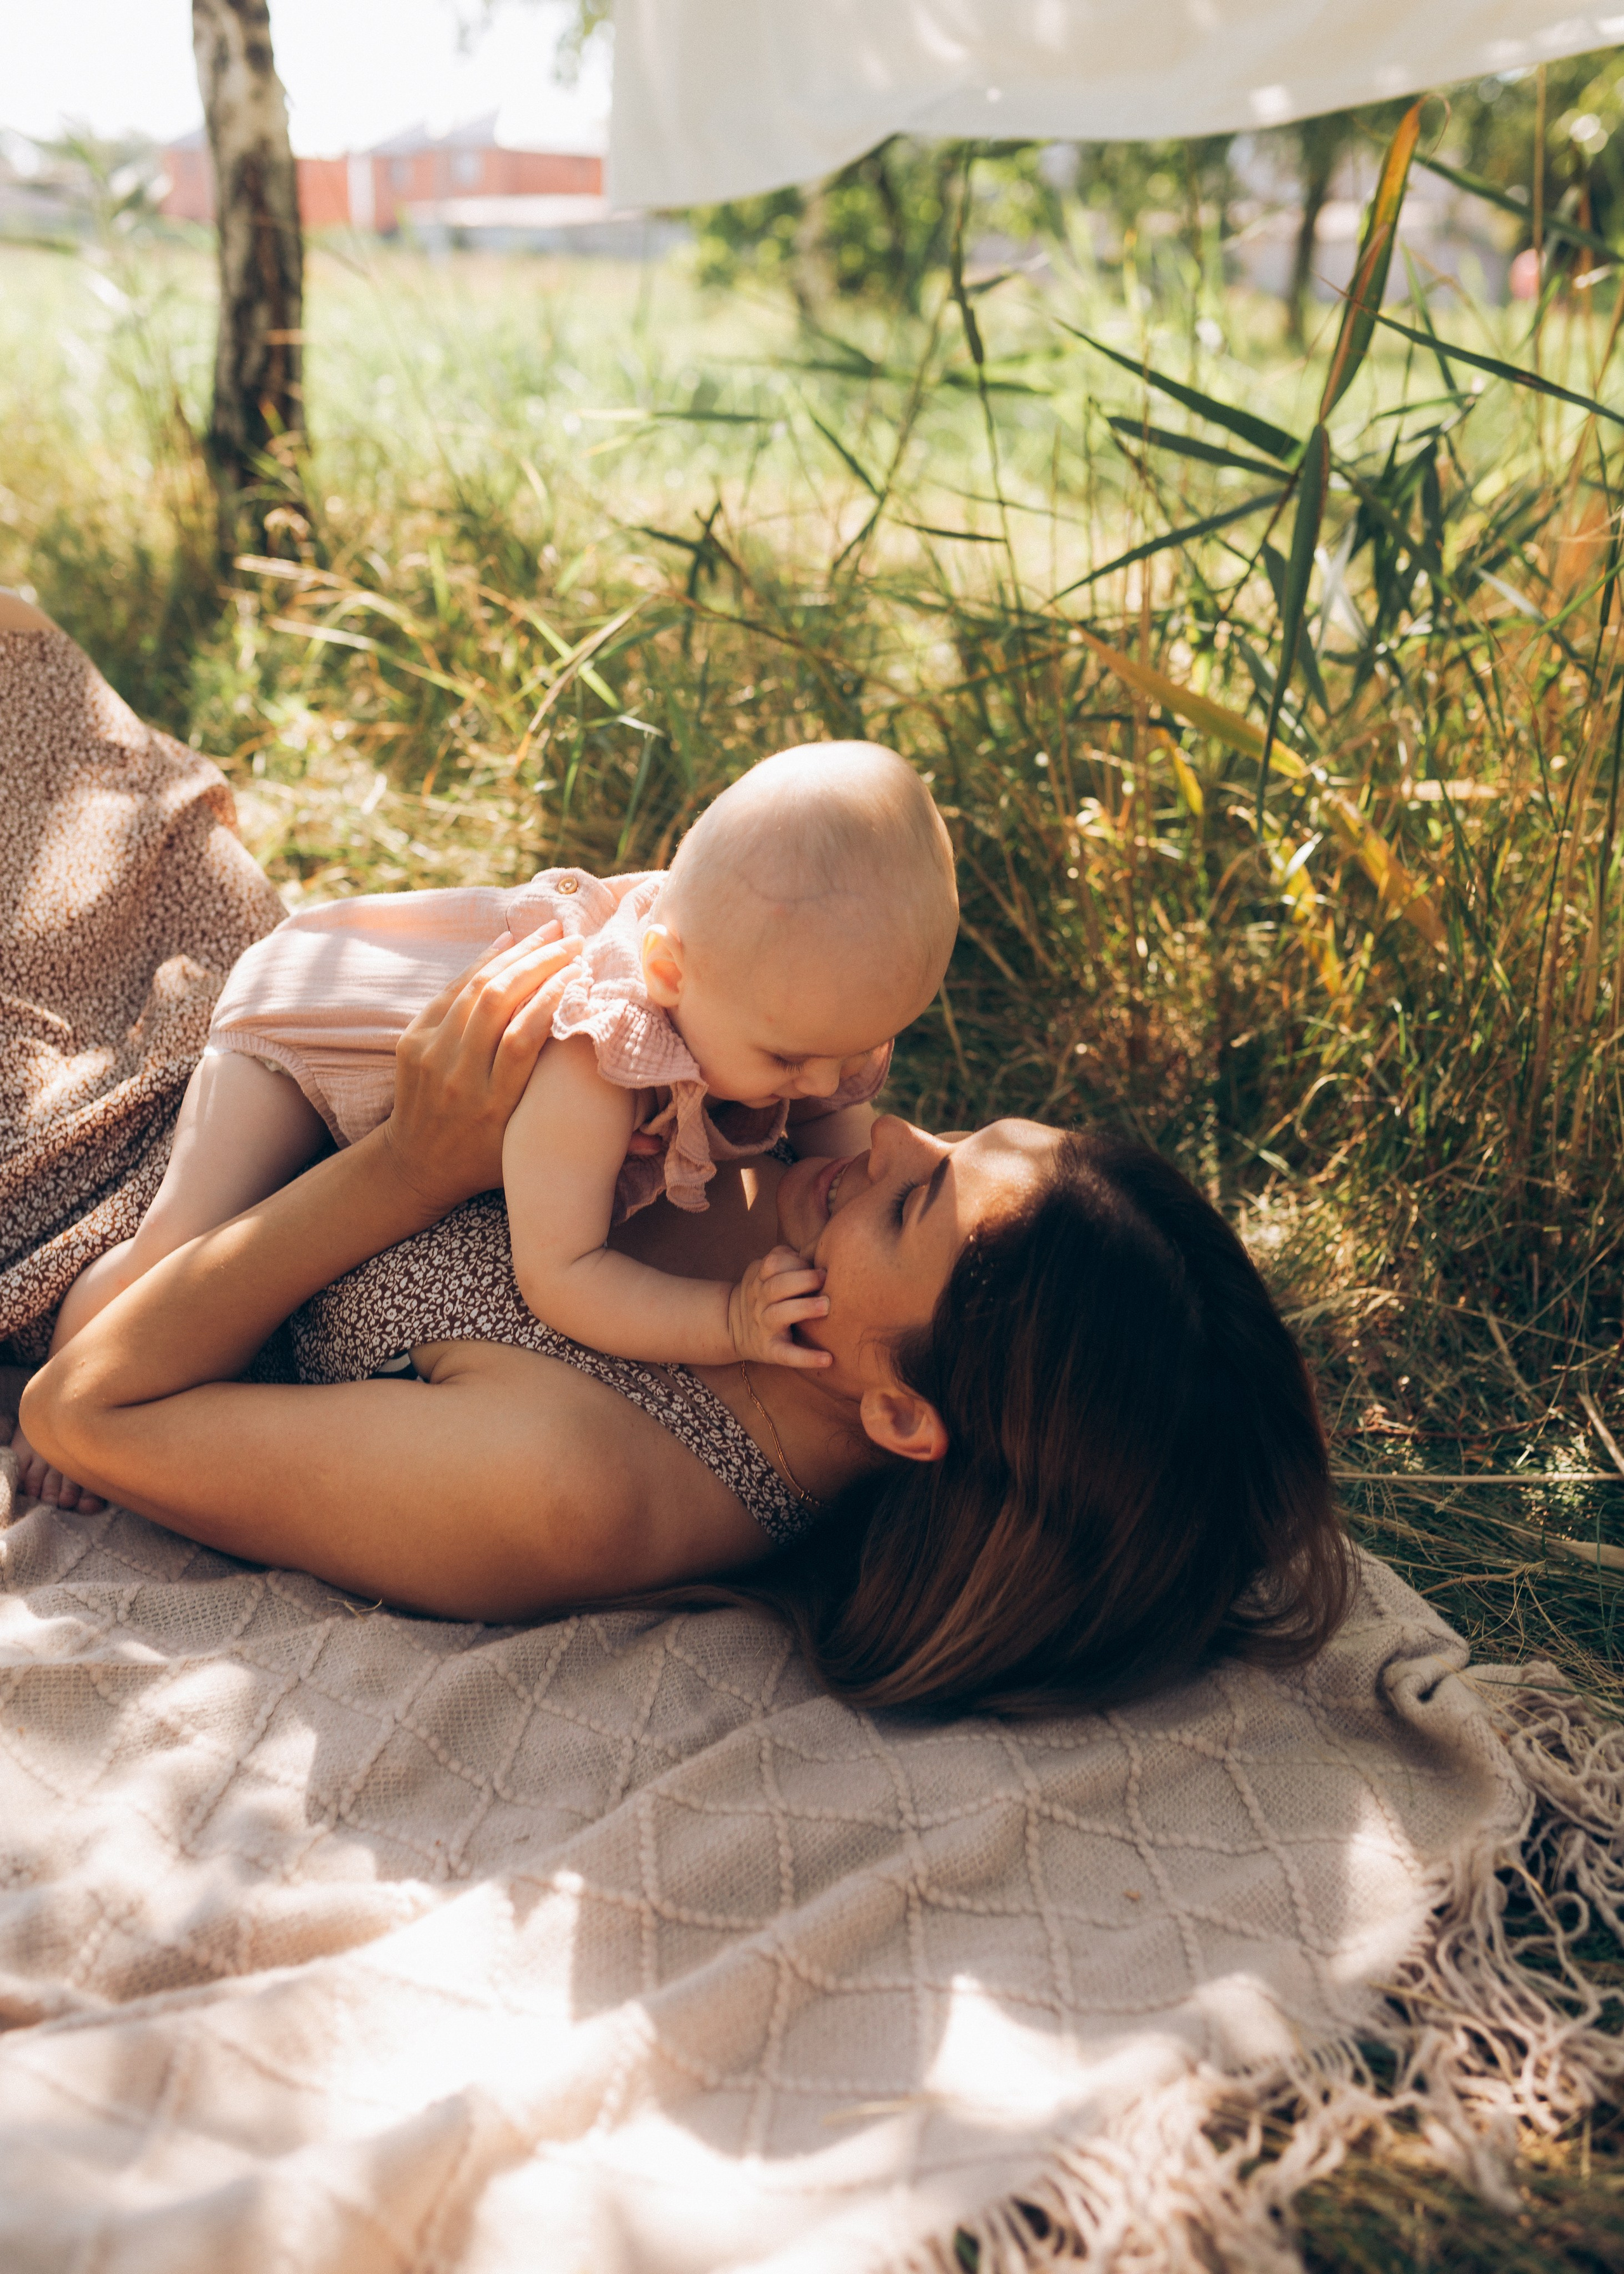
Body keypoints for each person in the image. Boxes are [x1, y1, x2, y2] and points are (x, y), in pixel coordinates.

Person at [14, 927, 1351, 1719]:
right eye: (950, 1137)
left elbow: (90, 1407)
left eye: (918, 1198)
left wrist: (417, 1166)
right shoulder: (815, 1246)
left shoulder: (577, 1487)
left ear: (900, 1411)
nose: (887, 1134)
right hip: (232, 1005)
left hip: (74, 1149)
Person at [46, 743, 960, 1381]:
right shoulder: (595, 1065)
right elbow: (561, 1274)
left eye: (859, 1050)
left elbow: (846, 1135)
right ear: (667, 974)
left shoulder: (771, 991)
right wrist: (724, 1321)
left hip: (412, 1015)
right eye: (793, 1060)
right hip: (315, 1026)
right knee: (186, 1241)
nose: (822, 1083)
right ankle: (67, 1376)